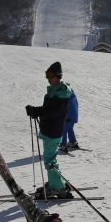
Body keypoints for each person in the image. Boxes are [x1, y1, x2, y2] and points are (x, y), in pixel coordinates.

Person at [25, 61, 74, 198]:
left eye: (51, 76)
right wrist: (35, 110)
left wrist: (37, 111)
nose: (49, 79)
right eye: (47, 76)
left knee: (49, 161)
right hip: (49, 130)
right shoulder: (54, 91)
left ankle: (58, 187)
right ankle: (55, 182)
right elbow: (48, 109)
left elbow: (54, 112)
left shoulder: (62, 93)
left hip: (53, 131)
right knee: (50, 159)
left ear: (58, 76)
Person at [59, 89, 79, 153]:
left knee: (64, 131)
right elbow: (76, 106)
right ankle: (73, 142)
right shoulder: (73, 96)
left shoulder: (66, 96)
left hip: (68, 117)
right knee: (70, 129)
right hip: (73, 116)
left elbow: (65, 107)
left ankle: (63, 145)